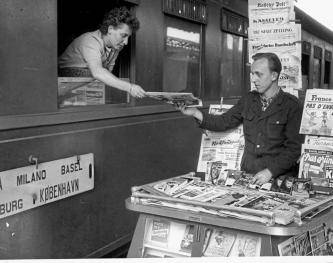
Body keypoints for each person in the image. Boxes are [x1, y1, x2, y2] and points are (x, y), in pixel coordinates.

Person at [176, 52, 303, 185]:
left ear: (274, 75)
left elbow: (293, 149)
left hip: (279, 179)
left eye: (259, 74)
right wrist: (195, 113)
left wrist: (270, 172)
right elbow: (223, 122)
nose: (253, 79)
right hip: (249, 175)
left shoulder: (292, 105)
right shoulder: (248, 100)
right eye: (252, 74)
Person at [58, 7, 146, 99]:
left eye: (128, 37)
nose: (126, 42)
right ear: (110, 29)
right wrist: (130, 87)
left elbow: (107, 72)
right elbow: (97, 72)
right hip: (63, 73)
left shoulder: (116, 46)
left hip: (87, 77)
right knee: (98, 75)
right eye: (123, 35)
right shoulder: (90, 40)